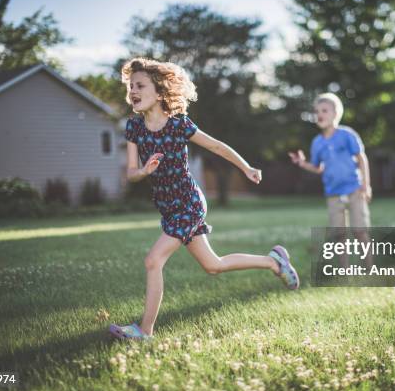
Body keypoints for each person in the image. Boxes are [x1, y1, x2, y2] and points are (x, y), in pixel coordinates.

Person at [109, 57, 299, 340]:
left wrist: (246, 168)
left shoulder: (179, 125)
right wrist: (144, 171)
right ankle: (273, 261)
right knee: (213, 265)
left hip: (189, 203)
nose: (133, 91)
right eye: (130, 86)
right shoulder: (134, 129)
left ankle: (144, 331)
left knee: (153, 260)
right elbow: (131, 174)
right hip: (169, 209)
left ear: (160, 92)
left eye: (140, 85)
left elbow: (217, 146)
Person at [288, 93, 372, 268]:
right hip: (333, 192)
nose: (319, 114)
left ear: (335, 114)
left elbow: (361, 158)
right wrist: (303, 164)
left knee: (359, 231)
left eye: (324, 110)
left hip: (354, 188)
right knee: (339, 234)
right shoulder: (317, 142)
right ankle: (344, 269)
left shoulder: (347, 135)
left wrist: (366, 184)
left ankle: (369, 266)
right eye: (316, 111)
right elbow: (318, 167)